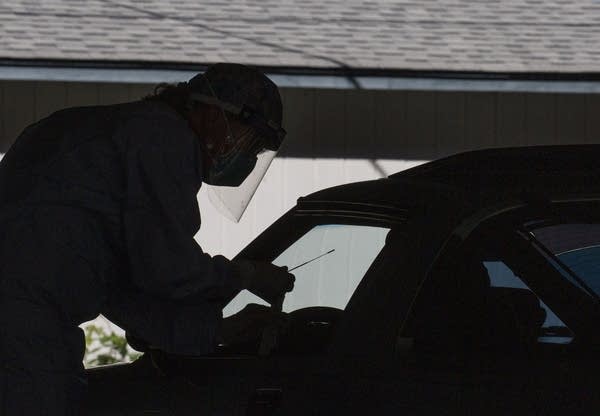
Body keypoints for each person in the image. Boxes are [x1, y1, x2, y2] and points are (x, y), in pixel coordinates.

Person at [0, 63, 295, 415]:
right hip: (23, 327)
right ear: (215, 115)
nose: (247, 158)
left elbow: (121, 289)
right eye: (250, 142)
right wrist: (246, 275)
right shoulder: (163, 138)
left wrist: (217, 330)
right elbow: (169, 270)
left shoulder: (107, 135)